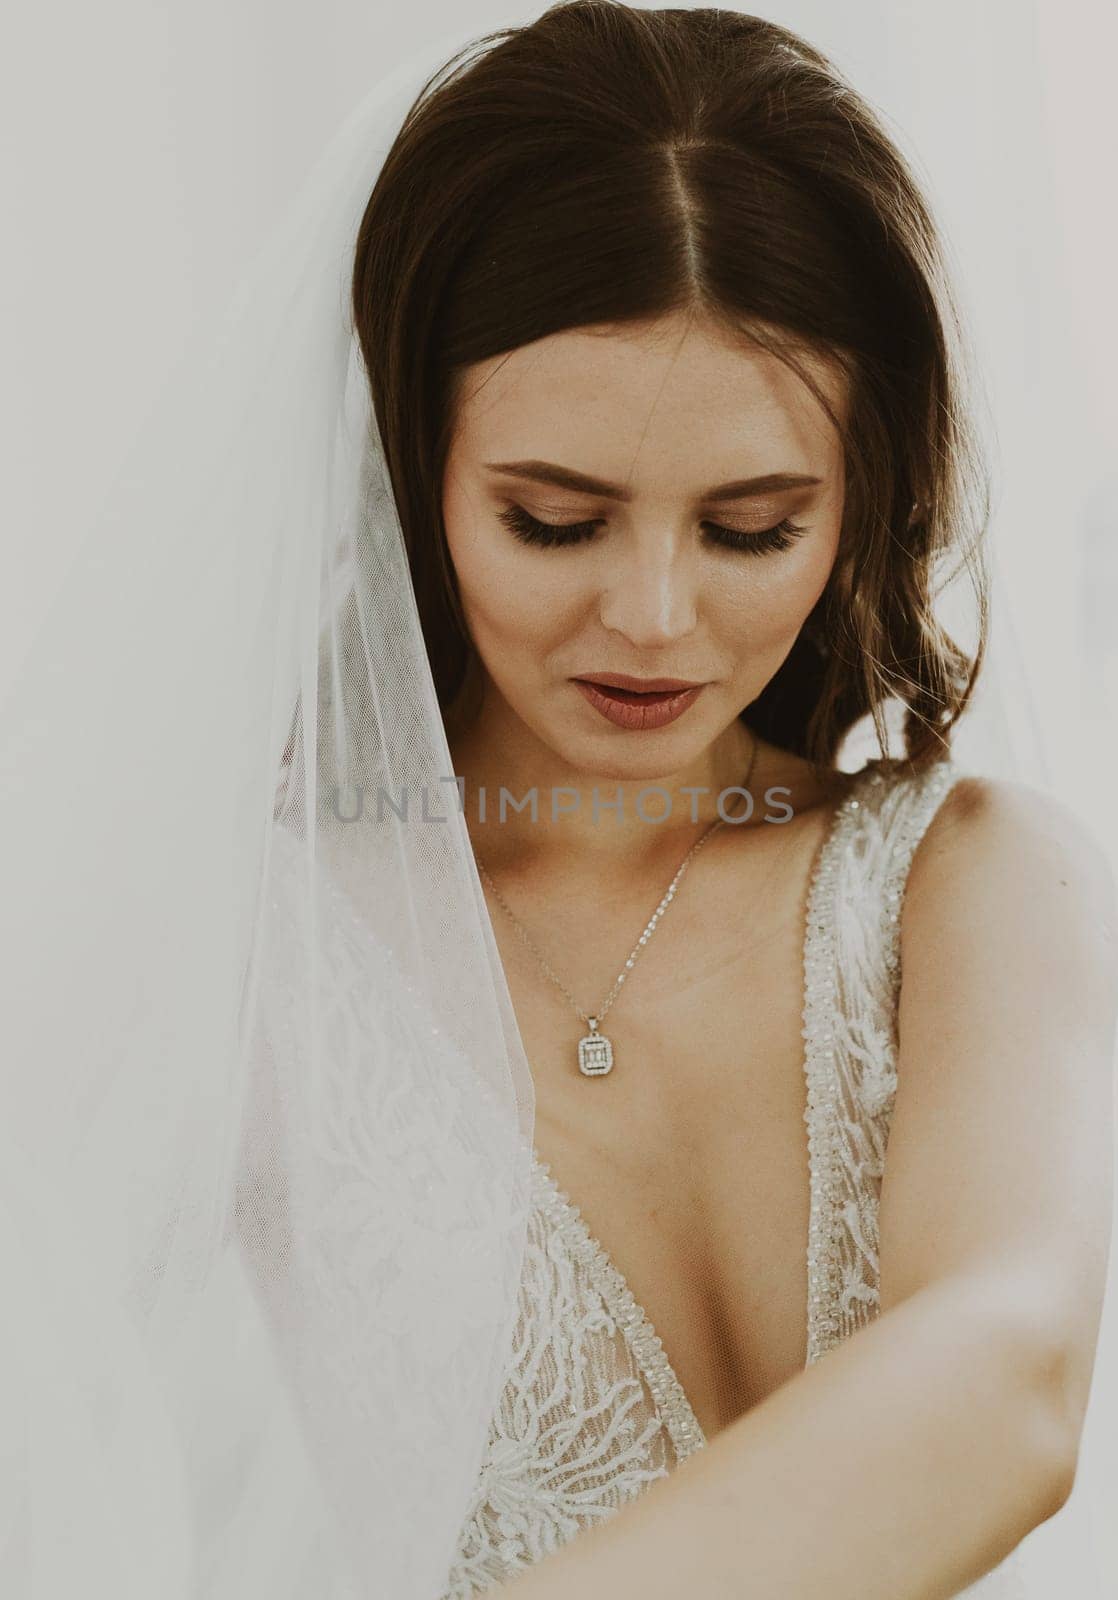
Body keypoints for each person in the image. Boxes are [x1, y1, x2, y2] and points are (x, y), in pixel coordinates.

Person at [1, 5, 1113, 1600]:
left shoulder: (980, 886)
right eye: (551, 520)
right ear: (411, 465)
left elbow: (1006, 1386)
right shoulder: (237, 957)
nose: (653, 617)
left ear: (860, 499)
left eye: (749, 528)